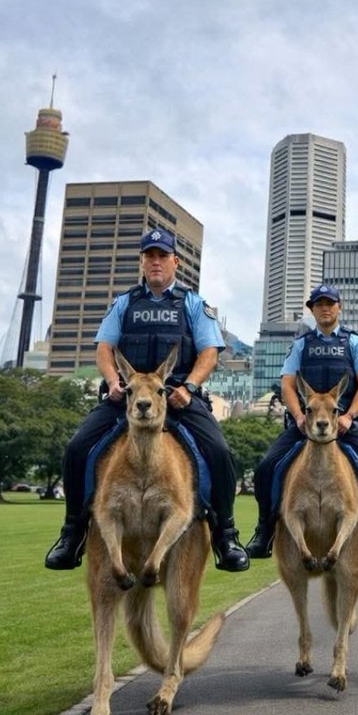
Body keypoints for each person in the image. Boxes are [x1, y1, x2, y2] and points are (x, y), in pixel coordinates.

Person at [45, 228, 249, 573]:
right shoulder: (124, 303)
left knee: (219, 452)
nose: (155, 262)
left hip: (176, 397)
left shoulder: (192, 304)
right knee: (77, 447)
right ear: (142, 261)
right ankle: (71, 534)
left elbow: (209, 353)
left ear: (175, 262)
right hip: (126, 395)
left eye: (162, 256)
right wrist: (113, 382)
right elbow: (104, 349)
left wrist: (189, 386)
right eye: (149, 256)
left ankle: (225, 535)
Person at [245, 284, 358, 562]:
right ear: (312, 309)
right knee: (267, 467)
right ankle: (264, 530)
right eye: (319, 304)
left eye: (330, 303)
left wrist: (349, 416)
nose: (325, 308)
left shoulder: (355, 343)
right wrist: (298, 416)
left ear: (339, 307)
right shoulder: (300, 345)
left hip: (346, 423)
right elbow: (288, 385)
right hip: (306, 422)